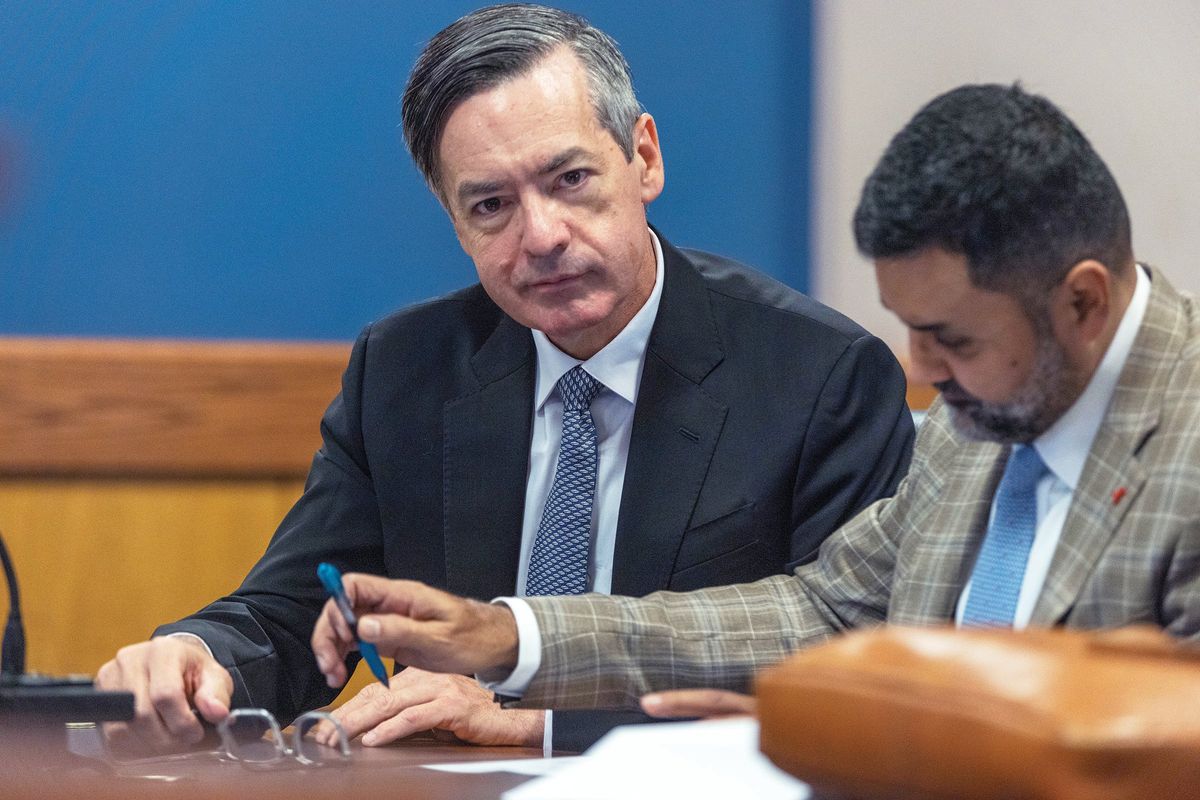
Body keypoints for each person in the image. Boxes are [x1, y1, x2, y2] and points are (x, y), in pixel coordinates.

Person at [96, 4, 913, 753]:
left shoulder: (819, 377)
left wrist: (543, 723)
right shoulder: (405, 371)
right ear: (454, 223)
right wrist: (195, 654)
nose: (542, 235)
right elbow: (303, 613)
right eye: (491, 206)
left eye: (570, 180)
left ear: (644, 158)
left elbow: (842, 661)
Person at [309, 82, 1200, 720]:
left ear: (1082, 302)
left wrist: (816, 732)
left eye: (954, 340)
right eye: (910, 328)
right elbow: (819, 610)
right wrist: (511, 639)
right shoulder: (986, 422)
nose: (924, 370)